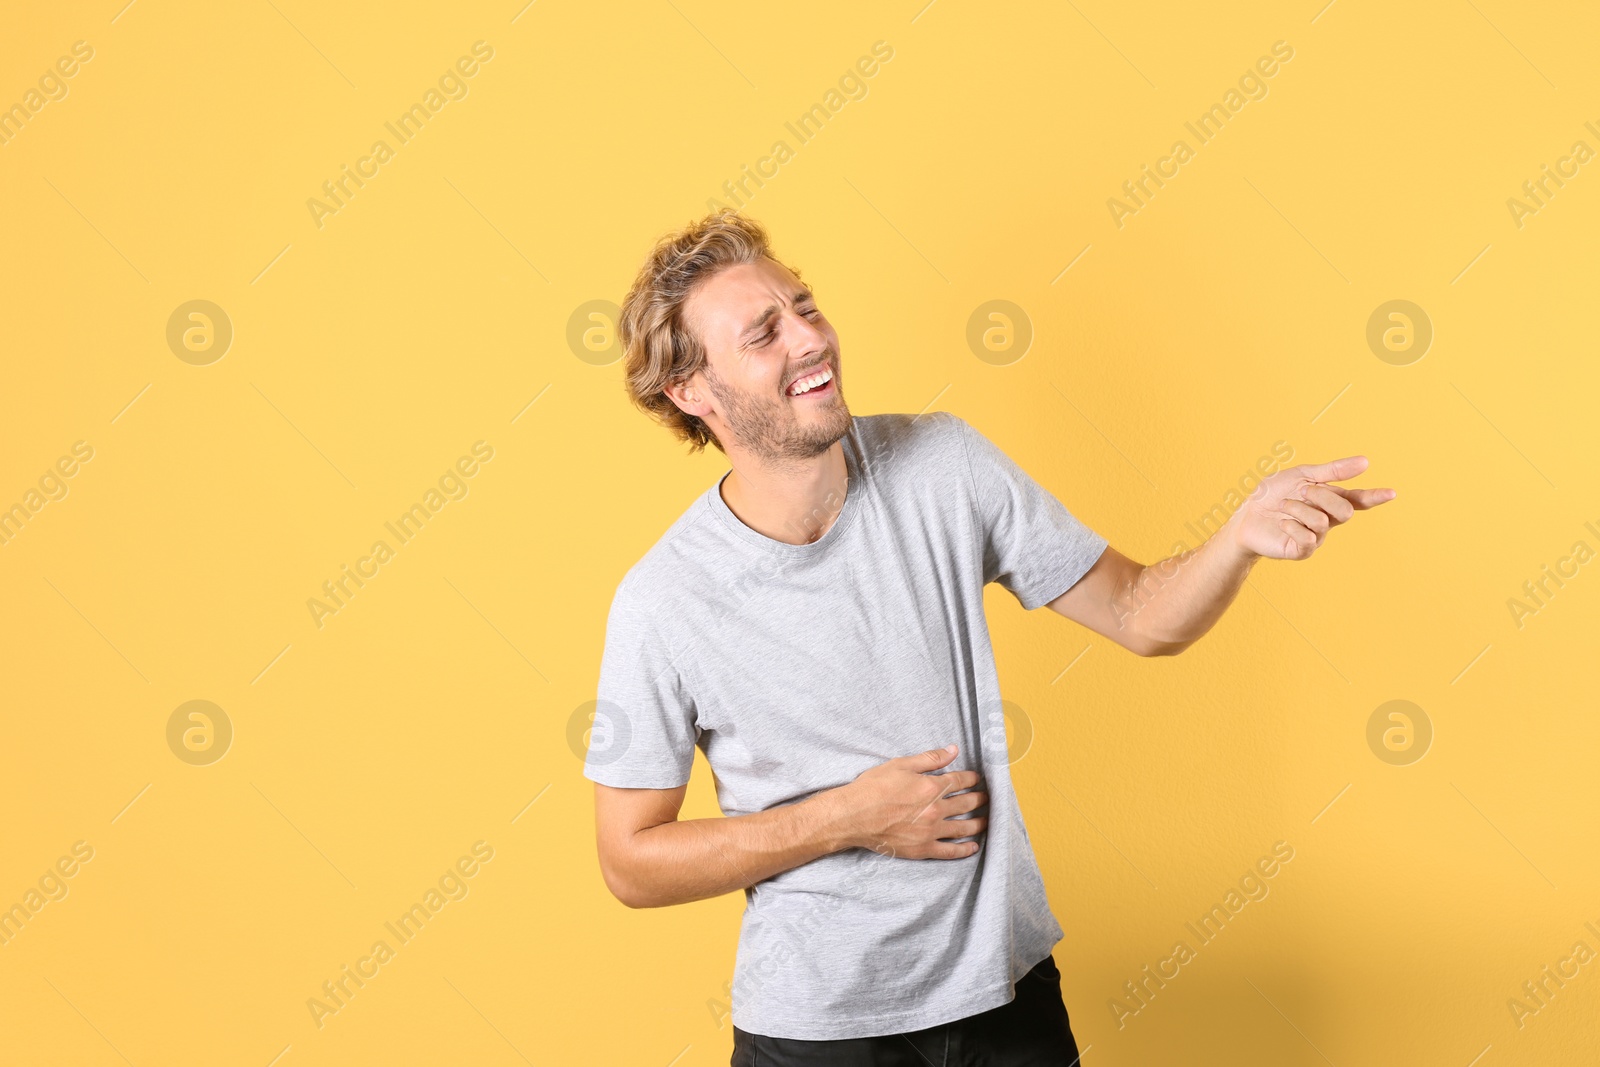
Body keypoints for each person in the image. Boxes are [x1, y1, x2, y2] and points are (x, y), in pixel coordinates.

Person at [583, 209, 1395, 1065]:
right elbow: (630, 860)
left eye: (806, 306)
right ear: (694, 392)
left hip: (1005, 1002)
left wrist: (1238, 538)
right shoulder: (664, 599)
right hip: (815, 1035)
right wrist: (846, 818)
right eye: (765, 333)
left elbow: (1140, 615)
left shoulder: (944, 465)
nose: (811, 339)